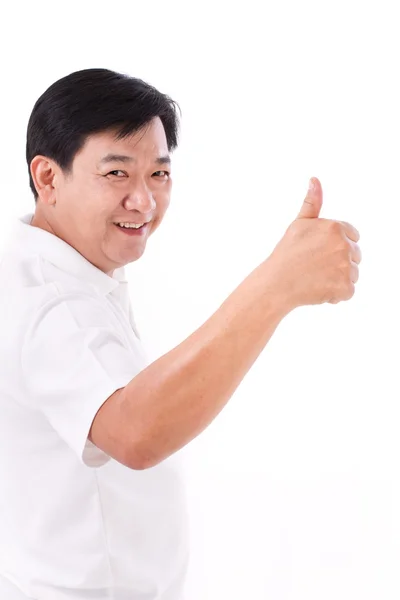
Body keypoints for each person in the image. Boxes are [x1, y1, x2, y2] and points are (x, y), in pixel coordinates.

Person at [0, 68, 361, 600]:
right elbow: (134, 432)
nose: (144, 201)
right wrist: (277, 285)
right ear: (48, 179)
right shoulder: (52, 302)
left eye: (159, 175)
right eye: (117, 174)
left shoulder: (49, 266)